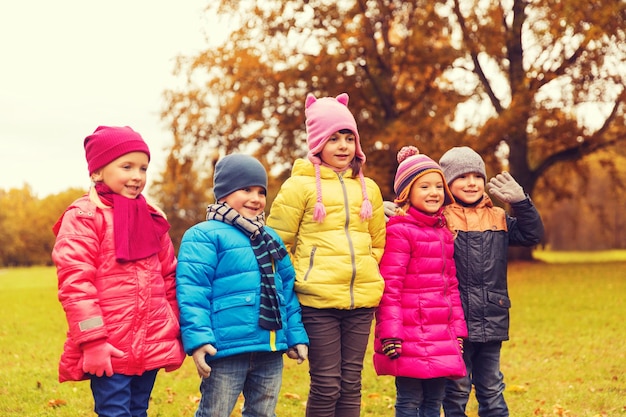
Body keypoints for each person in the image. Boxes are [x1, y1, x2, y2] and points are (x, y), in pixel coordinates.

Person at [386, 146, 544, 416]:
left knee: (492, 387)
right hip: (451, 324)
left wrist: (521, 203)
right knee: (456, 390)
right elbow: (413, 226)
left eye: (477, 176)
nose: (471, 183)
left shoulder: (498, 218)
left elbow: (532, 235)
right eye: (461, 177)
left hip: (491, 316)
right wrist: (394, 210)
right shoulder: (440, 219)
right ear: (447, 184)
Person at [51, 125, 185, 417]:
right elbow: (76, 283)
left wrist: (173, 327)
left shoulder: (152, 217)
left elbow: (169, 277)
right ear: (98, 171)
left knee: (138, 409)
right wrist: (93, 340)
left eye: (143, 168)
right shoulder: (85, 217)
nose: (137, 176)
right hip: (110, 344)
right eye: (127, 166)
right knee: (114, 412)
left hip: (150, 340)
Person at [267, 92, 386, 417]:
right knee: (327, 382)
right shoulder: (299, 187)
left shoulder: (368, 188)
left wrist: (366, 268)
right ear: (318, 141)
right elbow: (277, 244)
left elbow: (377, 240)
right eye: (334, 138)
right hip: (317, 302)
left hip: (360, 301)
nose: (343, 146)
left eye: (349, 137)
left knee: (351, 383)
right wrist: (304, 275)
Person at [176, 153, 309, 417]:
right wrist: (199, 339)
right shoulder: (204, 235)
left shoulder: (270, 238)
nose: (256, 198)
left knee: (263, 412)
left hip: (269, 348)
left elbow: (287, 290)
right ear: (223, 193)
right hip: (226, 349)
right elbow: (193, 291)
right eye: (246, 189)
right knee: (215, 412)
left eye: (261, 191)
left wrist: (295, 336)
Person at [373, 146, 467, 417]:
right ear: (406, 194)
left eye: (438, 185)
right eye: (424, 186)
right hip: (409, 335)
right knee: (410, 401)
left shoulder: (442, 232)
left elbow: (450, 286)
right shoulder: (400, 232)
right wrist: (390, 332)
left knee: (433, 402)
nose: (434, 192)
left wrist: (457, 331)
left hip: (440, 334)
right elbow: (390, 287)